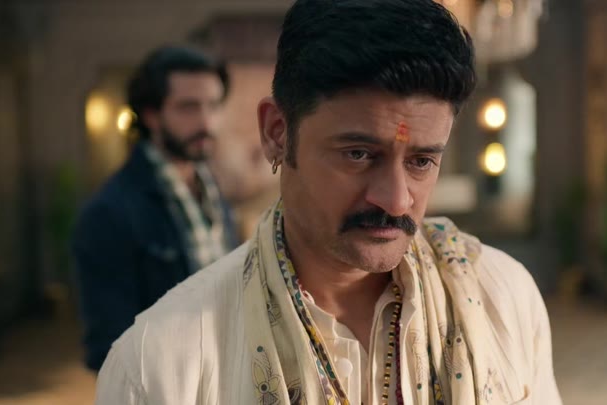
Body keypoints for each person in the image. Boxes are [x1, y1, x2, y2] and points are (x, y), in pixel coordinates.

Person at [95, 1, 562, 403]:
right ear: (277, 133)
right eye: (359, 154)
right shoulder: (160, 364)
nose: (395, 199)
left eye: (421, 161)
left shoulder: (501, 298)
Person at [72, 46, 240, 371]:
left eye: (214, 105)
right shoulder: (110, 212)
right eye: (188, 107)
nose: (206, 122)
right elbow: (109, 351)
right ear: (151, 115)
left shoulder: (210, 187)